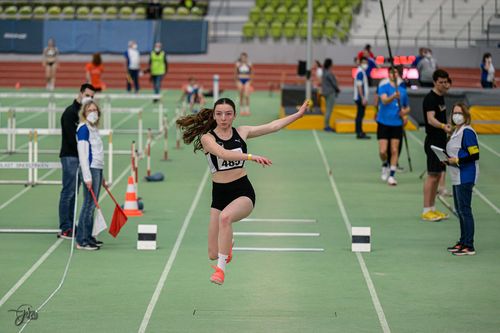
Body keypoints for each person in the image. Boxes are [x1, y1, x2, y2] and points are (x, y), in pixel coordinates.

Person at [176, 97, 310, 285]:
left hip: (242, 191)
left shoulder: (242, 132)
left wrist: (298, 114)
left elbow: (273, 126)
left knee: (225, 218)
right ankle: (227, 246)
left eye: (228, 114)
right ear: (214, 116)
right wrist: (250, 156)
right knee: (213, 253)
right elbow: (222, 153)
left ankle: (221, 271)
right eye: (219, 114)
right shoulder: (207, 138)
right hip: (219, 195)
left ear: (234, 116)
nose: (224, 118)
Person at [58, 83, 96, 239]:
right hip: (71, 157)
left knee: (76, 192)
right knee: (69, 192)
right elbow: (72, 139)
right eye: (87, 95)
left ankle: (73, 225)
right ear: (80, 94)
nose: (89, 99)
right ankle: (66, 227)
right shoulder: (70, 113)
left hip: (81, 158)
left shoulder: (86, 114)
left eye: (92, 97)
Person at [445, 102, 480, 256]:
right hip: (456, 175)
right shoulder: (455, 131)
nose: (456, 115)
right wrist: (447, 159)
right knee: (460, 210)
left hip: (466, 175)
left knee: (465, 210)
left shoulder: (467, 132)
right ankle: (462, 241)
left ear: (465, 115)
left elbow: (474, 154)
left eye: (459, 113)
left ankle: (469, 245)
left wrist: (457, 160)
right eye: (454, 112)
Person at [421, 69, 452, 222]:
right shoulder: (430, 99)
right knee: (432, 176)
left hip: (441, 141)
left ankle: (433, 208)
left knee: (439, 174)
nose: (443, 85)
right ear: (434, 82)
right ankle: (426, 210)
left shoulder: (441, 98)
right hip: (433, 141)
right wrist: (442, 127)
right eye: (440, 82)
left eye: (445, 82)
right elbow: (430, 119)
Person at [76, 101, 105, 251]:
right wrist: (87, 176)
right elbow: (83, 154)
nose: (93, 112)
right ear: (84, 113)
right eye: (89, 110)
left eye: (95, 110)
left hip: (97, 169)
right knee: (88, 204)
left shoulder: (94, 129)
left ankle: (89, 236)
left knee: (92, 205)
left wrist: (102, 175)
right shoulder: (83, 129)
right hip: (90, 170)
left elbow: (98, 153)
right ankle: (82, 239)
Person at [376, 67, 410, 186]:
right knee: (383, 151)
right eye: (391, 72)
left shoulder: (403, 90)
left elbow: (407, 107)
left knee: (394, 150)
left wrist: (404, 113)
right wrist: (393, 97)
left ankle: (392, 175)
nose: (393, 74)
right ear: (388, 74)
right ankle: (385, 163)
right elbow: (384, 100)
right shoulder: (383, 86)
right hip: (383, 122)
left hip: (397, 123)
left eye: (395, 72)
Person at [353, 57, 371, 139]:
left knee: (360, 115)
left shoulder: (362, 72)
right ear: (360, 63)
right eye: (363, 62)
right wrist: (363, 97)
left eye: (366, 62)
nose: (365, 64)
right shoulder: (360, 72)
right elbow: (359, 86)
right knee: (360, 115)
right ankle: (359, 132)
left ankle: (359, 131)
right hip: (360, 98)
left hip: (361, 97)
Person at [322, 58, 340, 132]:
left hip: (325, 92)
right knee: (329, 109)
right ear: (330, 64)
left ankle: (326, 125)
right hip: (330, 93)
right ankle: (326, 126)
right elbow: (334, 83)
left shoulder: (324, 72)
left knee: (327, 109)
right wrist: (337, 89)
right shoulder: (329, 73)